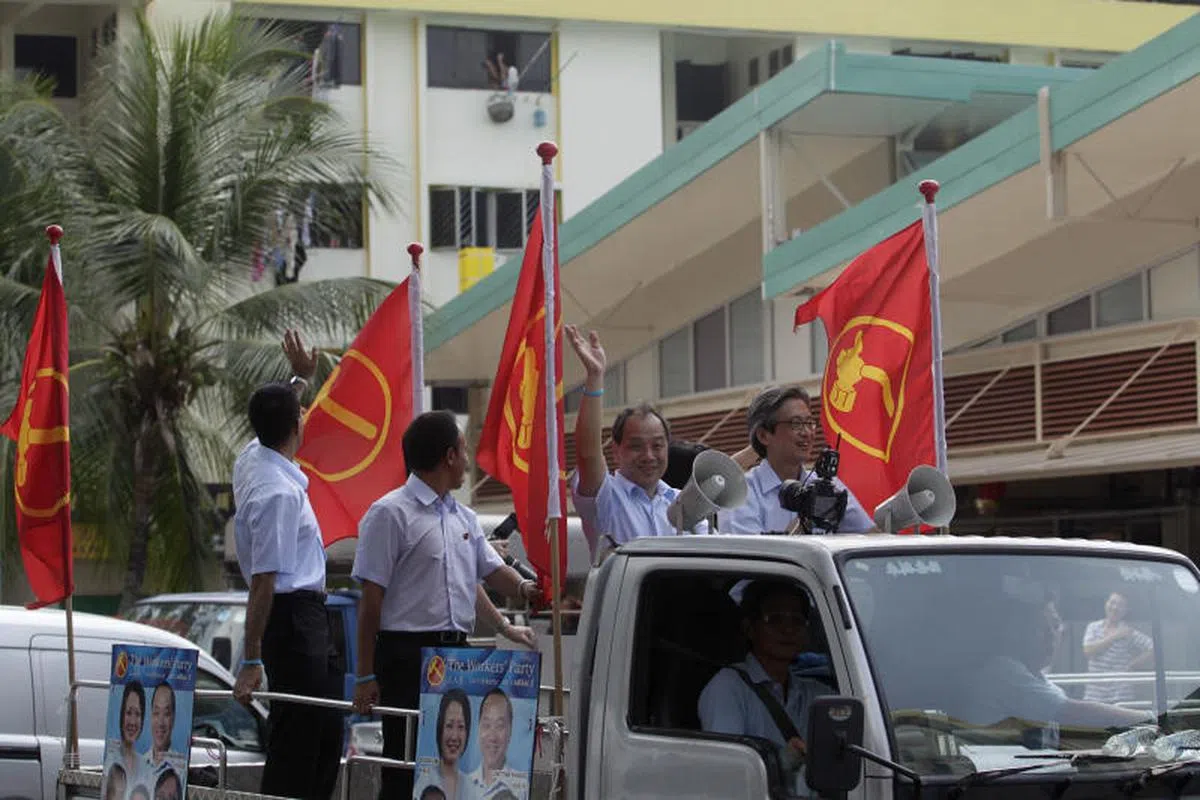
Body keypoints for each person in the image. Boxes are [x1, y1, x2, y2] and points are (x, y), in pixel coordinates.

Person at [351, 411, 542, 800]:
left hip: (456, 655)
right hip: (406, 655)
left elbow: (487, 572)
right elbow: (371, 601)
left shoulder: (462, 516)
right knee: (405, 763)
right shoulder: (390, 513)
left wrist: (527, 590)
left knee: (451, 764)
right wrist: (365, 674)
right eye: (465, 450)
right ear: (449, 456)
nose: (469, 461)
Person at [230, 330, 342, 800]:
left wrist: (300, 379)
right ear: (297, 425)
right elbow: (263, 582)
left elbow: (275, 417)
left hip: (309, 618)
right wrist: (251, 659)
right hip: (292, 620)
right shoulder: (276, 493)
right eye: (300, 411)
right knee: (298, 740)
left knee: (326, 733)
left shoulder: (252, 459)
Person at [566, 324, 707, 558]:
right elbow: (588, 452)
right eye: (636, 446)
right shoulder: (607, 498)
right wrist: (595, 378)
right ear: (615, 451)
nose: (649, 456)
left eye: (658, 445)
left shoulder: (682, 504)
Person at [698, 580, 833, 795]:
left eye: (796, 620)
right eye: (775, 619)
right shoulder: (727, 689)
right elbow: (725, 774)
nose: (788, 629)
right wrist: (781, 762)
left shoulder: (817, 693)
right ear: (749, 628)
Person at [966, 597, 1153, 746]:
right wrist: (1150, 719)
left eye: (1055, 626)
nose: (1052, 637)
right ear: (1016, 633)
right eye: (1038, 628)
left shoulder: (1036, 675)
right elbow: (1071, 713)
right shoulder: (1004, 670)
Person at [719, 386, 873, 535]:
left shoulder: (828, 486)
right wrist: (802, 526)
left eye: (809, 423)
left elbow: (870, 539)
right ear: (764, 436)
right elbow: (750, 558)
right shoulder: (741, 494)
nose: (807, 433)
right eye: (796, 424)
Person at [1082, 591, 1154, 704]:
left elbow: (1153, 647)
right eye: (1112, 602)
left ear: (1126, 610)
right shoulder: (1093, 627)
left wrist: (1132, 664)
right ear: (1106, 604)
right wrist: (1116, 636)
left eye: (1120, 605)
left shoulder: (1128, 631)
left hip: (1121, 694)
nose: (1115, 607)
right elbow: (1088, 651)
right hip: (1094, 694)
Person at [465, 688, 524, 799]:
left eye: (500, 726)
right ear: (478, 728)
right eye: (487, 725)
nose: (492, 737)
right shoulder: (464, 785)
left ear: (510, 731)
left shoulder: (521, 787)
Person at [414, 689, 471, 800]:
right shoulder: (424, 781)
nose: (454, 736)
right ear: (440, 729)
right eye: (449, 726)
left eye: (460, 727)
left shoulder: (471, 787)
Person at [141, 683, 177, 779]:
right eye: (156, 713)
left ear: (173, 718)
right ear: (150, 716)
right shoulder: (139, 765)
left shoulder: (180, 769)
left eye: (166, 714)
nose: (160, 723)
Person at [114, 682, 144, 778]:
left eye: (137, 714)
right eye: (128, 713)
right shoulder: (111, 760)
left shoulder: (145, 766)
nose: (132, 722)